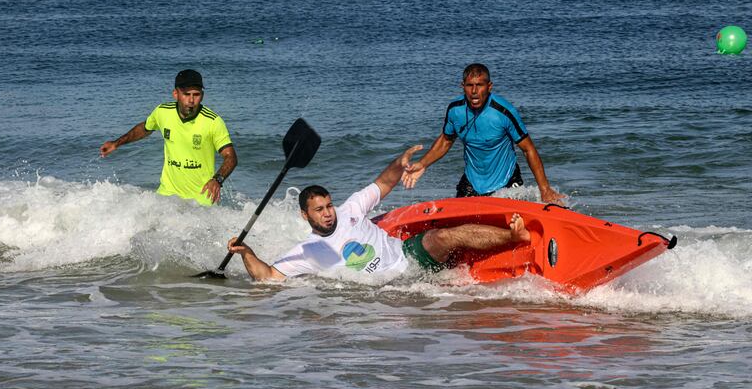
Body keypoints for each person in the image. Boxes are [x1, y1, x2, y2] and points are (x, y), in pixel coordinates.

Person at [226, 145, 530, 281]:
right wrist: (246, 253)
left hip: (408, 258)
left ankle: (514, 237)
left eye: (329, 205)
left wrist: (400, 163)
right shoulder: (309, 251)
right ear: (306, 216)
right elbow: (267, 276)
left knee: (445, 235)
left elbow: (383, 183)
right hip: (389, 290)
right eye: (319, 210)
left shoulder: (351, 209)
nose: (329, 213)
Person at [401, 63, 563, 204]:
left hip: (506, 181)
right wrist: (422, 164)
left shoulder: (504, 112)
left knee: (509, 229)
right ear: (462, 86)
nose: (474, 91)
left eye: (480, 85)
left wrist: (545, 189)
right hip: (473, 181)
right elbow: (446, 140)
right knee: (457, 226)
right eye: (469, 85)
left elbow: (529, 149)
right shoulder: (455, 110)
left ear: (489, 86)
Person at [100, 69, 237, 206]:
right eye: (186, 94)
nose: (191, 100)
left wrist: (217, 180)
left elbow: (231, 157)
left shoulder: (213, 121)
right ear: (176, 94)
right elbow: (145, 128)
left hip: (201, 199)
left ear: (202, 96)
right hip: (167, 196)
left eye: (196, 95)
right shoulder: (163, 112)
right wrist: (116, 143)